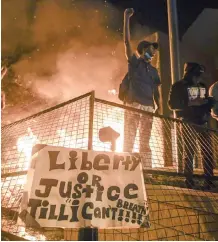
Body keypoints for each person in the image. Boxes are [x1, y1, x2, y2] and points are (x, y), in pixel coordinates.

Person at [120, 8, 161, 169]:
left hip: (148, 108)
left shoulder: (153, 70)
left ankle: (147, 171)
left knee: (145, 140)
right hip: (133, 105)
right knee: (129, 139)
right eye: (152, 49)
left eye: (155, 50)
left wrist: (157, 106)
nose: (154, 52)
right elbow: (126, 42)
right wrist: (126, 18)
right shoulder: (135, 63)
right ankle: (125, 170)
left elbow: (155, 89)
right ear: (143, 50)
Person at [168, 62, 215, 189]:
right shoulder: (179, 86)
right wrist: (190, 103)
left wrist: (208, 103)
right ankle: (189, 181)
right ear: (190, 73)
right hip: (188, 121)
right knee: (189, 152)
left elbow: (205, 103)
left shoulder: (201, 85)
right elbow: (172, 104)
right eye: (196, 74)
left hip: (202, 121)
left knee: (208, 152)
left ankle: (209, 181)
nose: (198, 77)